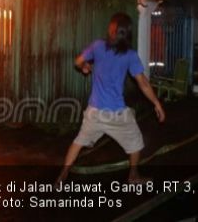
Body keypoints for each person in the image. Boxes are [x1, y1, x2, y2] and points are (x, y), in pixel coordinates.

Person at [56, 12, 165, 184]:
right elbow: (143, 82)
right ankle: (133, 176)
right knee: (136, 142)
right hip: (116, 114)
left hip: (94, 112)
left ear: (112, 30)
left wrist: (85, 66)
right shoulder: (130, 55)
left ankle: (63, 175)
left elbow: (78, 61)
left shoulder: (98, 46)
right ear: (127, 33)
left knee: (78, 142)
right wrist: (156, 103)